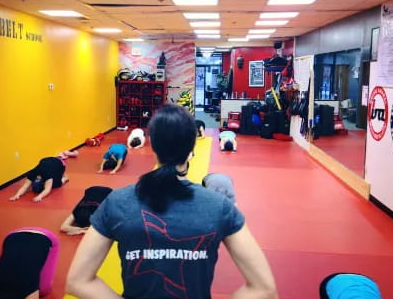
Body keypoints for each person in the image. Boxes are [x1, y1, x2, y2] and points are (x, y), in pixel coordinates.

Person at [66, 104, 277, 299]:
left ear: (154, 147)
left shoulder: (117, 201)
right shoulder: (219, 206)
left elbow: (78, 281)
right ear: (191, 149)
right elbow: (265, 289)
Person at [0, 227, 59, 299]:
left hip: (43, 237)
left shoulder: (28, 289)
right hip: (12, 236)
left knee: (43, 290)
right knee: (43, 290)